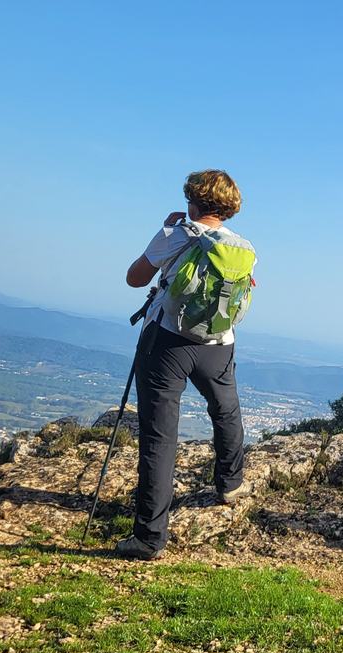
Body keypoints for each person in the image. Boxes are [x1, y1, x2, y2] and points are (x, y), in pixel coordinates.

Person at [116, 170, 254, 560]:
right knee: (226, 410)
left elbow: (134, 278)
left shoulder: (178, 235)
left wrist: (163, 233)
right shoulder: (242, 247)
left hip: (167, 341)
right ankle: (230, 484)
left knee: (159, 436)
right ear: (228, 208)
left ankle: (149, 537)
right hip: (218, 344)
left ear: (194, 200)